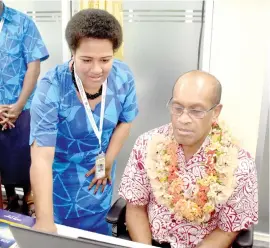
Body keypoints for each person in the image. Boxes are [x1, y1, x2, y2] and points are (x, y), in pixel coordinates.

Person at [119, 71, 258, 248]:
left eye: (196, 110)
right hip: (149, 242)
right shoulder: (147, 144)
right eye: (177, 108)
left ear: (216, 112)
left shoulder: (240, 164)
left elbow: (227, 230)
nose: (183, 119)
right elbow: (136, 207)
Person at [30, 9, 138, 235]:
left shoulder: (123, 77)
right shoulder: (52, 87)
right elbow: (41, 157)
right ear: (73, 52)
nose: (96, 69)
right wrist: (44, 220)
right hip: (61, 181)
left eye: (105, 60)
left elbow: (125, 122)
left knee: (99, 232)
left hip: (101, 176)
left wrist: (108, 161)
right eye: (86, 60)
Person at [0, 0, 49, 216]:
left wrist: (18, 106)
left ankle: (30, 196)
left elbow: (34, 67)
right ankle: (8, 197)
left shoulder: (23, 23)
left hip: (24, 105)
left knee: (26, 155)